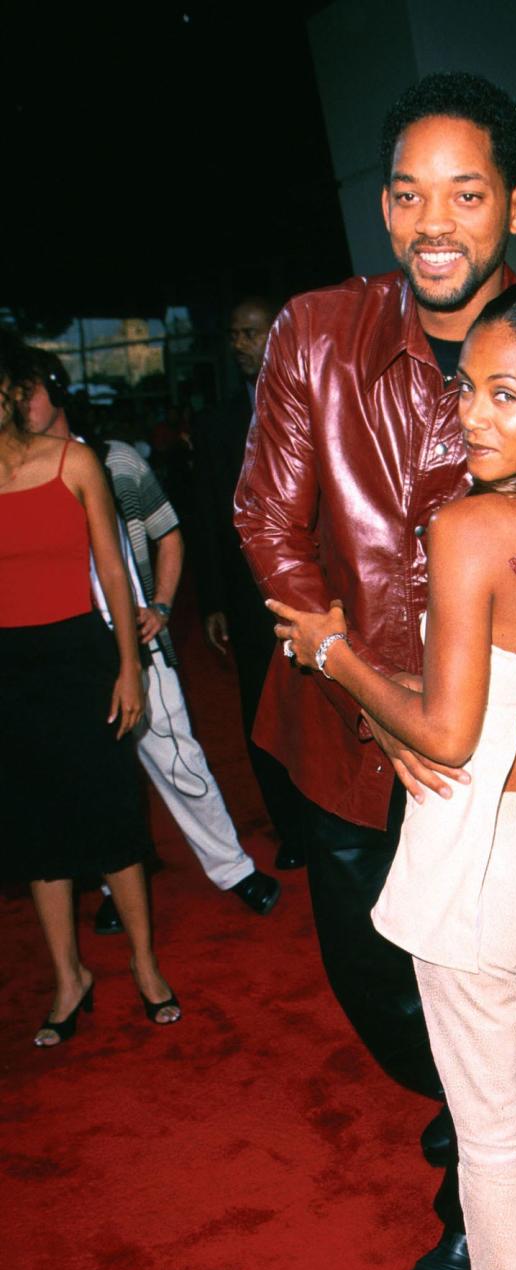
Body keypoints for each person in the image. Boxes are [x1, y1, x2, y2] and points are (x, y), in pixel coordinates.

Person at [235, 70, 516, 1270]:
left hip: (514, 781)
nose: (437, 219)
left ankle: (485, 1215)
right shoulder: (316, 330)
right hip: (348, 739)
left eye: (467, 192)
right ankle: (483, 1117)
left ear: (515, 208)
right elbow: (269, 520)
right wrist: (362, 686)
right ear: (384, 207)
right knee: (377, 984)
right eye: (411, 193)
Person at [19, 350, 281, 925]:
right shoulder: (20, 474)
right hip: (72, 651)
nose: (17, 404)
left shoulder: (116, 461)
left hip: (138, 642)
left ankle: (233, 869)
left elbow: (169, 535)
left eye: (27, 390)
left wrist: (160, 606)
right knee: (100, 777)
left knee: (178, 760)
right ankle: (117, 886)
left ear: (58, 391)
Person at [0, 331, 181, 1043]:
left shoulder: (73, 462)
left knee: (109, 816)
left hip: (79, 655)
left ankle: (144, 964)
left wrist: (129, 667)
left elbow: (114, 571)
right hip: (8, 669)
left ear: (10, 391)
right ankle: (68, 975)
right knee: (36, 828)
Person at [192, 296, 305, 871]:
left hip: (315, 586)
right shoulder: (213, 424)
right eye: (234, 333)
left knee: (322, 703)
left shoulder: (312, 402)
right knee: (262, 711)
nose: (239, 342)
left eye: (250, 332)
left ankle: (329, 814)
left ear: (276, 334)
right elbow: (208, 516)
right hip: (247, 592)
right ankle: (292, 827)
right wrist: (212, 600)